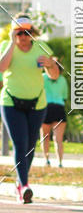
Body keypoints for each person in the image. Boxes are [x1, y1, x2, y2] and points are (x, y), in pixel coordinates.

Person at [0, 14, 59, 202]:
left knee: (31, 145)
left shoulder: (41, 48)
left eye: (26, 32)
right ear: (13, 33)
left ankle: (20, 181)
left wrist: (50, 64)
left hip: (37, 104)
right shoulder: (7, 48)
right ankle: (25, 185)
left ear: (32, 33)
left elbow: (55, 76)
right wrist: (10, 42)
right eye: (18, 33)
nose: (23, 37)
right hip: (11, 103)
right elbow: (2, 68)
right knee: (20, 143)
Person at [40, 61, 69, 167]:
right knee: (52, 137)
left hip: (52, 108)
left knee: (50, 137)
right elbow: (65, 96)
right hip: (53, 108)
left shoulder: (44, 77)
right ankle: (53, 161)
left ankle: (53, 161)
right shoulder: (61, 79)